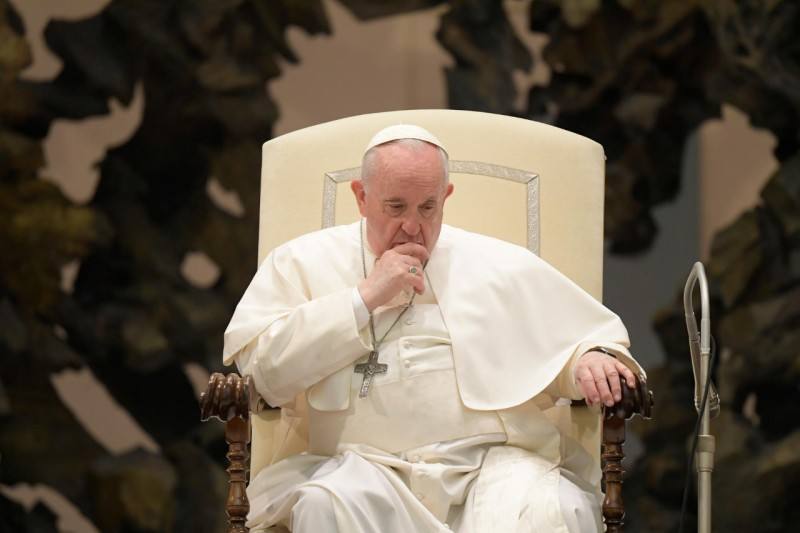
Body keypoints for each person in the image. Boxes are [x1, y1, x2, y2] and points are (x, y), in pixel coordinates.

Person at [223, 124, 644, 533]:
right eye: (396, 207)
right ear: (361, 196)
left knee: (556, 511)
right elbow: (264, 375)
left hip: (492, 465)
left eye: (428, 207)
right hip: (362, 469)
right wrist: (364, 298)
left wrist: (587, 360)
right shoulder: (301, 262)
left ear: (446, 196)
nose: (412, 226)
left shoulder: (497, 263)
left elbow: (573, 341)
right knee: (323, 506)